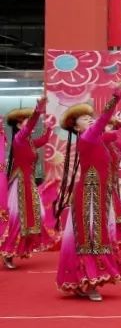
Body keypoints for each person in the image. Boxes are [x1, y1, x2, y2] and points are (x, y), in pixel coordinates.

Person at [55, 80, 121, 301]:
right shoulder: (88, 137)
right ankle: (89, 282)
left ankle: (84, 280)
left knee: (97, 237)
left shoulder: (98, 140)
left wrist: (117, 126)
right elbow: (102, 123)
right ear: (76, 127)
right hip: (89, 195)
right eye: (83, 118)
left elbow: (110, 134)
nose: (88, 118)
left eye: (89, 116)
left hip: (99, 194)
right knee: (91, 238)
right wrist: (115, 97)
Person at [0, 98, 57, 269]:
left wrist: (49, 127)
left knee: (37, 215)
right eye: (26, 122)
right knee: (17, 219)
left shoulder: (29, 142)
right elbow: (30, 126)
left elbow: (44, 139)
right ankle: (7, 252)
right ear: (19, 125)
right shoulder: (19, 138)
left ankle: (15, 249)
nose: (30, 125)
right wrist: (37, 111)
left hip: (28, 183)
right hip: (19, 184)